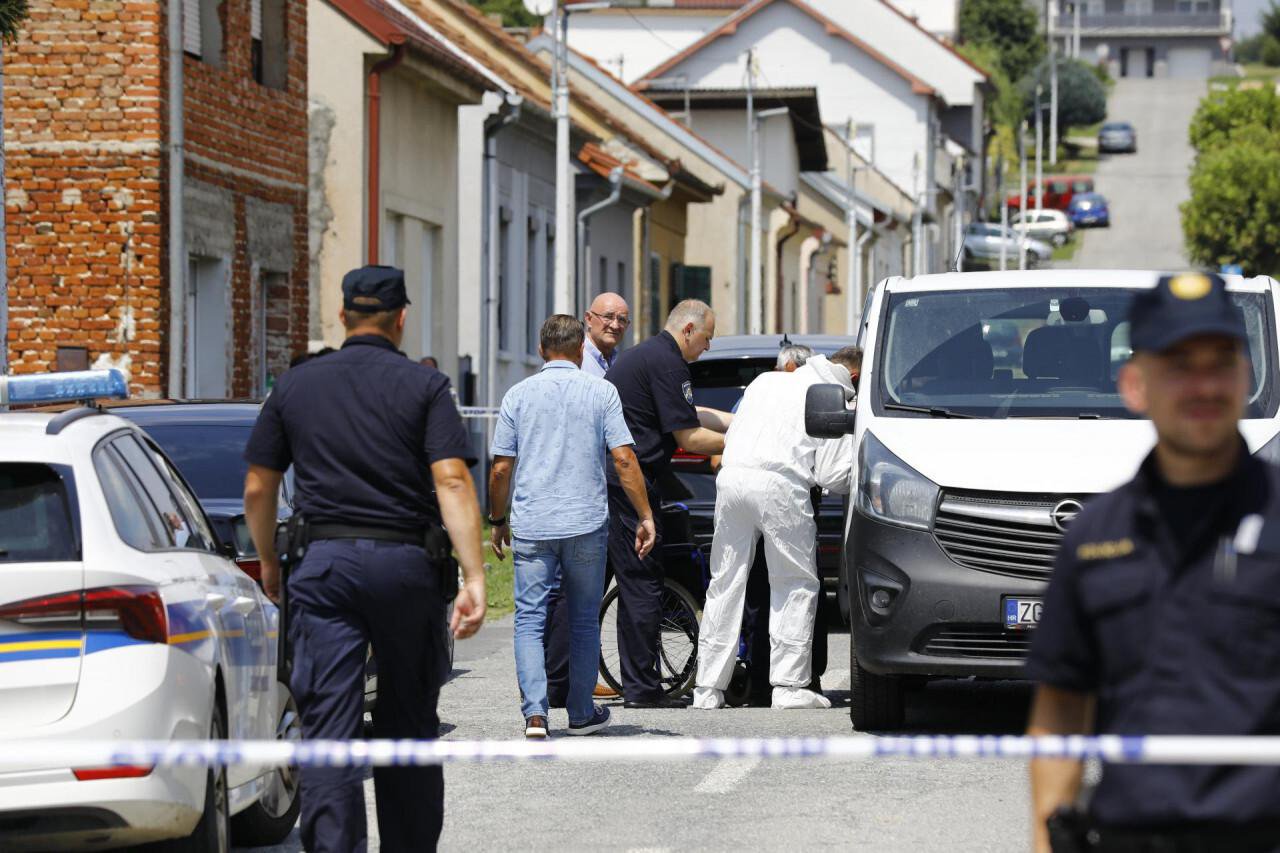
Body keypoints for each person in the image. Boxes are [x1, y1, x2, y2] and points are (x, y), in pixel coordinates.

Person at [1026, 272, 1280, 853]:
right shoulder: (1094, 539)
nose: (1204, 384)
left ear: (1247, 376)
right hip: (1127, 837)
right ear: (1135, 385)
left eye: (1221, 362)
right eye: (1178, 365)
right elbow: (1062, 709)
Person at [242, 265, 486, 853]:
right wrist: (475, 575)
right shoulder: (425, 388)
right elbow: (452, 481)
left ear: (344, 315)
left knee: (328, 726)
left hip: (322, 567)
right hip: (406, 568)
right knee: (407, 724)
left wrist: (270, 561)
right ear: (401, 318)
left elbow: (257, 485)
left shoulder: (296, 386)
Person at [487, 315, 656, 738]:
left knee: (529, 619)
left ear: (541, 350)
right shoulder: (602, 392)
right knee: (583, 619)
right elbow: (623, 459)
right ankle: (581, 713)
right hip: (585, 522)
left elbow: (501, 468)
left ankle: (536, 714)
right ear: (581, 349)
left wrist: (496, 520)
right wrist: (644, 515)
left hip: (533, 523)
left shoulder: (517, 396)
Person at [693, 346, 861, 710]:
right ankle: (788, 685)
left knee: (726, 583)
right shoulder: (833, 397)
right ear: (855, 376)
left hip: (732, 480)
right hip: (781, 486)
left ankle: (707, 687)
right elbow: (832, 474)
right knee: (794, 583)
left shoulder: (765, 381)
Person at [606, 299, 731, 708]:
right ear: (690, 330)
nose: (708, 348)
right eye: (708, 338)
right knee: (642, 584)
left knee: (606, 585)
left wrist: (734, 420)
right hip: (631, 482)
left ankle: (562, 683)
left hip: (617, 480)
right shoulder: (670, 362)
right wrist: (745, 441)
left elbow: (688, 412)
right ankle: (642, 689)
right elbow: (688, 436)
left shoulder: (650, 355)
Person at [582, 292, 630, 378]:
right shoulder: (575, 360)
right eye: (608, 317)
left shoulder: (624, 363)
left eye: (622, 320)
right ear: (589, 319)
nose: (615, 326)